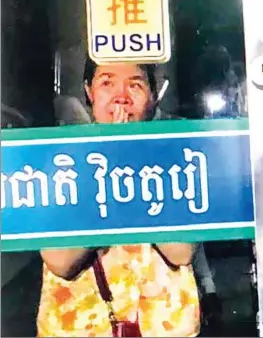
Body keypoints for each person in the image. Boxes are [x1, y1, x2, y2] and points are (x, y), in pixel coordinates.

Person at [37, 60, 203, 337]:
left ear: (153, 96)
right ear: (89, 91)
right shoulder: (62, 161)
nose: (121, 96)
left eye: (135, 85)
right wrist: (112, 157)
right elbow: (60, 260)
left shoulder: (175, 159)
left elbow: (181, 250)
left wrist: (130, 154)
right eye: (106, 83)